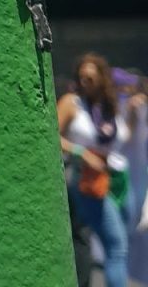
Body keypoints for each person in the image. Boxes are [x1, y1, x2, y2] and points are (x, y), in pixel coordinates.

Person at [58, 53, 143, 287]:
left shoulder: (107, 107)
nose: (85, 83)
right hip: (89, 180)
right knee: (116, 246)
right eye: (81, 78)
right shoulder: (72, 102)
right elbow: (53, 137)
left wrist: (133, 113)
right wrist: (81, 152)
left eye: (91, 78)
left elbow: (123, 137)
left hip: (118, 179)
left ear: (102, 79)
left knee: (122, 241)